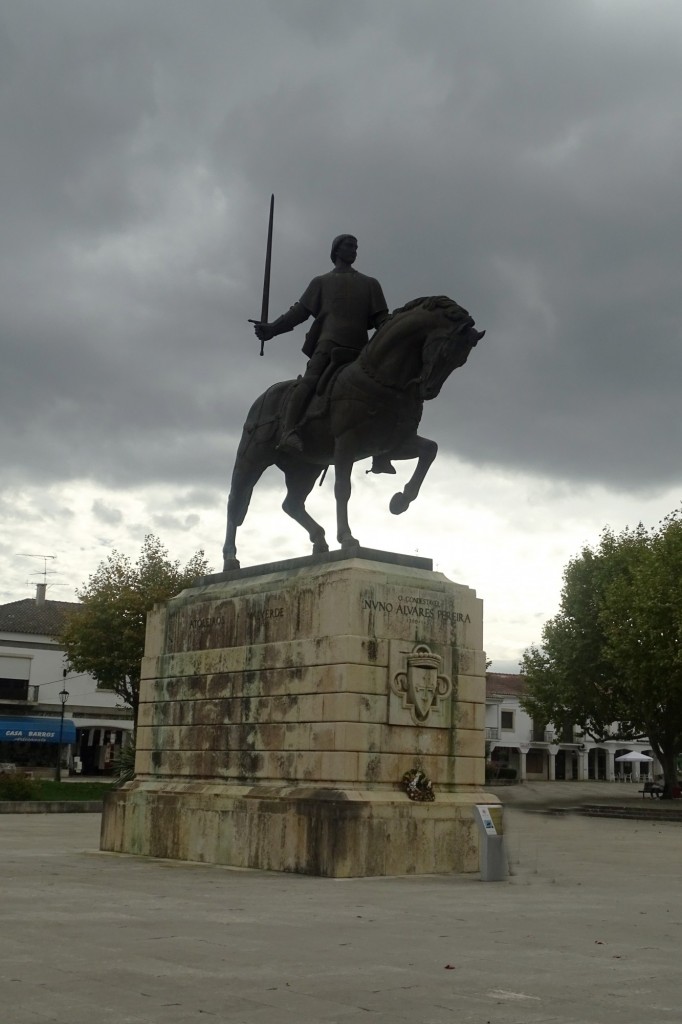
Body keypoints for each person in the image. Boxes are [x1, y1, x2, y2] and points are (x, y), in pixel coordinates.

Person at [253, 235, 395, 471]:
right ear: (336, 250)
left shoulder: (371, 284)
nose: (354, 250)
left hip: (361, 351)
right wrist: (272, 329)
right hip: (329, 345)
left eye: (356, 247)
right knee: (309, 382)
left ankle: (382, 452)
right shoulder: (321, 282)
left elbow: (381, 320)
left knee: (385, 389)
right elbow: (299, 313)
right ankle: (289, 431)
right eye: (349, 246)